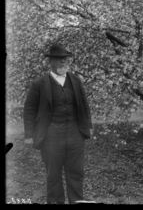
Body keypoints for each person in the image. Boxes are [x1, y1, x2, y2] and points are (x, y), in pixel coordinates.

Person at [23, 43, 94, 204]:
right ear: (51, 62)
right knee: (53, 175)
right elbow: (29, 110)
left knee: (76, 172)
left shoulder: (75, 80)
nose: (63, 62)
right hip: (51, 135)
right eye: (59, 59)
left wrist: (88, 125)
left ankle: (76, 202)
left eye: (65, 59)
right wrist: (29, 135)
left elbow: (84, 104)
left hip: (75, 134)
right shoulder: (39, 84)